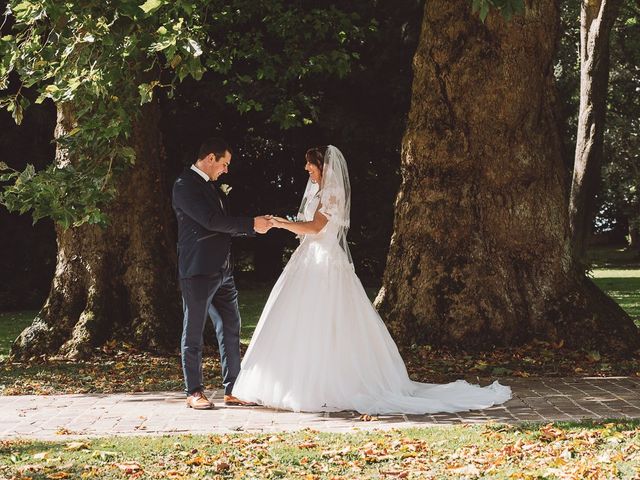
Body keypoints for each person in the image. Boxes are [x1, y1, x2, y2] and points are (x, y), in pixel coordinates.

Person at [232, 145, 512, 414]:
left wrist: (280, 223)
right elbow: (308, 227)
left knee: (328, 321)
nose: (306, 168)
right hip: (307, 261)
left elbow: (317, 227)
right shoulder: (317, 192)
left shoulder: (333, 193)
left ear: (324, 166)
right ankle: (290, 381)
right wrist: (287, 223)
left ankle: (326, 385)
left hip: (325, 262)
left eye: (310, 163)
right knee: (299, 320)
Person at [172, 137, 271, 410]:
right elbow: (211, 222)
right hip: (198, 270)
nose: (225, 170)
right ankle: (193, 392)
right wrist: (251, 224)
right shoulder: (184, 185)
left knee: (230, 328)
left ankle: (233, 389)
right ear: (210, 158)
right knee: (193, 331)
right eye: (224, 163)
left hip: (223, 270)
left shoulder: (212, 188)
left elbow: (221, 224)